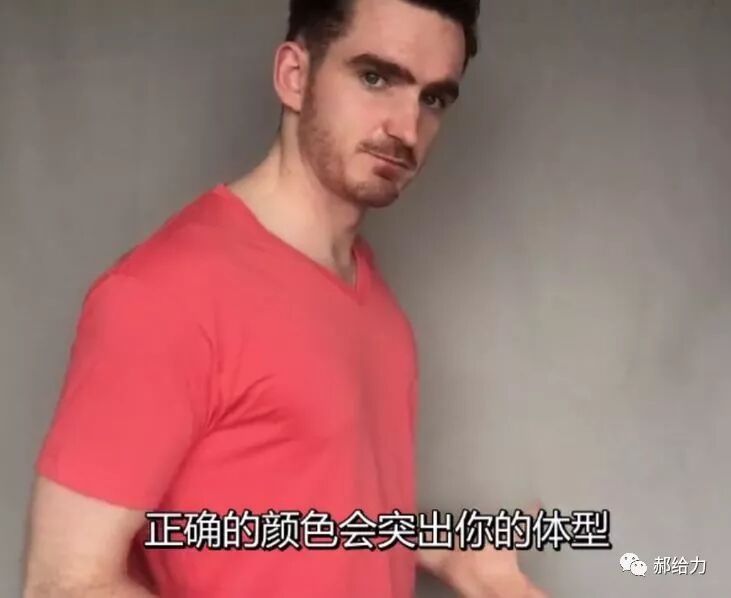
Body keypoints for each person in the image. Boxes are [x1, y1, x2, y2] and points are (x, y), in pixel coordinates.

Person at [22, 0, 547, 596]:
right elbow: (63, 583)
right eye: (375, 78)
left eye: (432, 99)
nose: (406, 129)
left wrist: (445, 551)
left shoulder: (376, 304)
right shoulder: (164, 296)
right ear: (294, 76)